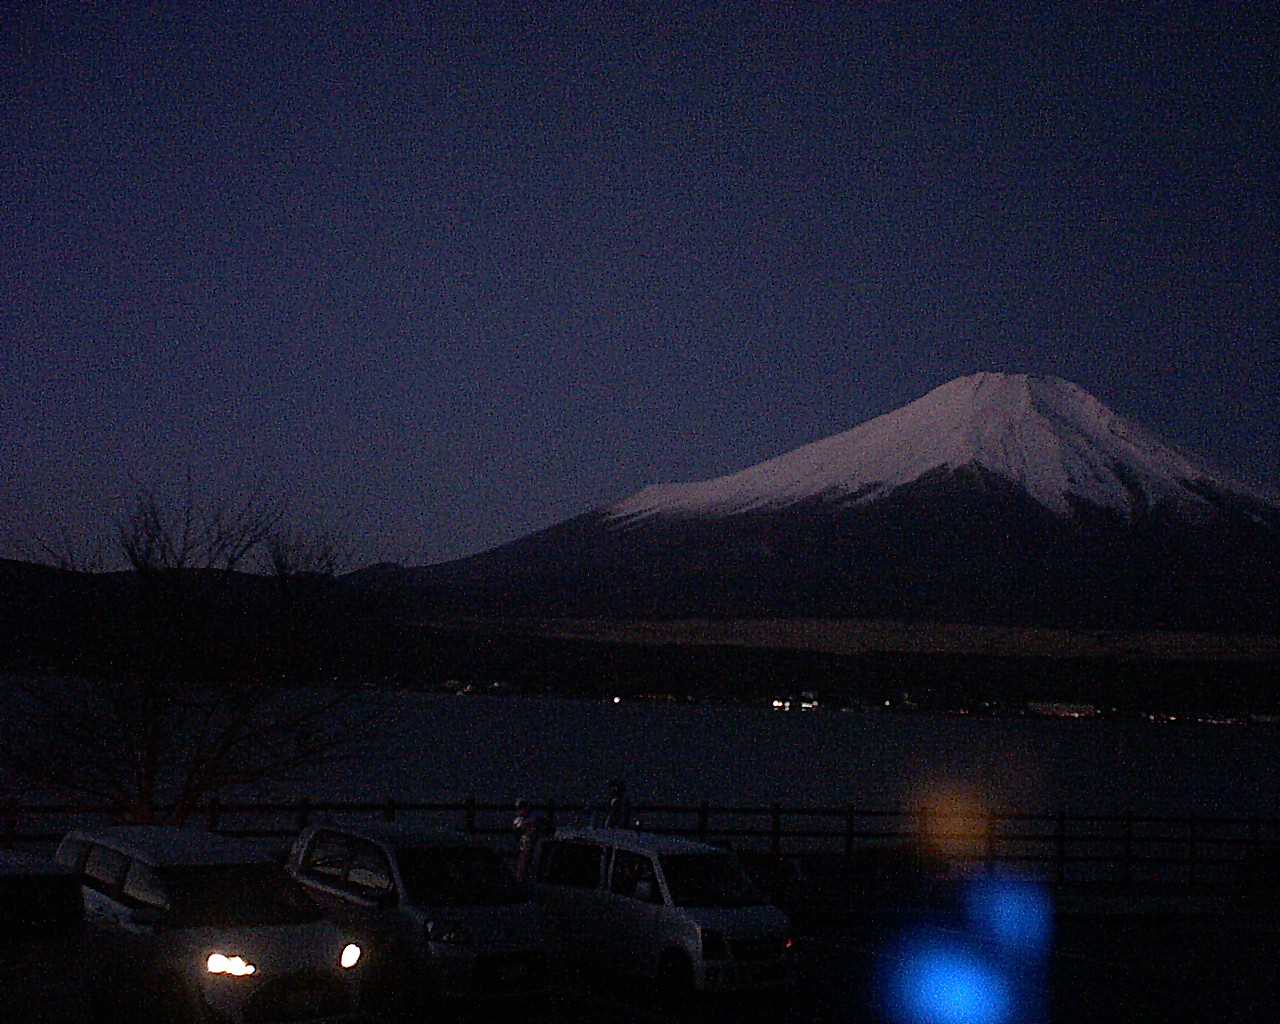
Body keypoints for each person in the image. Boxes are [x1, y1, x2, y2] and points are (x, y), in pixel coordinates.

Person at [512, 799, 548, 881]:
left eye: (523, 808)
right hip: (525, 846)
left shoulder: (533, 817)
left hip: (533, 845)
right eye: (520, 808)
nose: (521, 810)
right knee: (523, 863)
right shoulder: (519, 820)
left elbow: (543, 822)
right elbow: (517, 830)